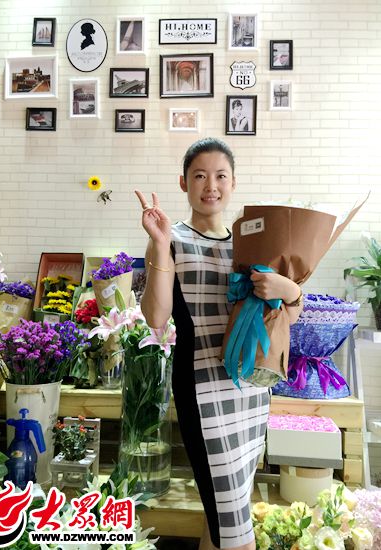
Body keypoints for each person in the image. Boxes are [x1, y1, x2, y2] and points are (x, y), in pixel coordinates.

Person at [135, 138, 302, 550]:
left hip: (250, 389)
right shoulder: (170, 238)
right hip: (202, 389)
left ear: (233, 182)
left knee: (225, 514)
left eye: (220, 176)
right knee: (235, 527)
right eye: (200, 175)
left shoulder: (250, 243)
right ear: (183, 182)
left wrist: (290, 291)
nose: (211, 185)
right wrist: (159, 245)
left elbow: (284, 318)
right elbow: (156, 317)